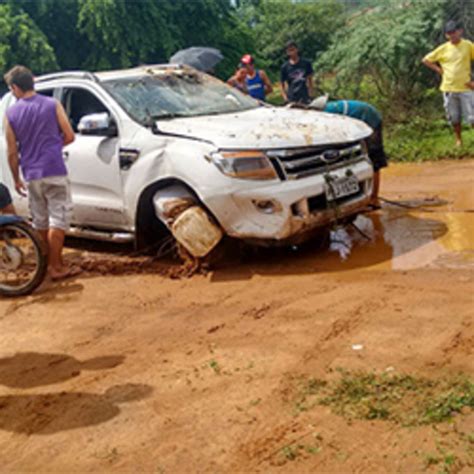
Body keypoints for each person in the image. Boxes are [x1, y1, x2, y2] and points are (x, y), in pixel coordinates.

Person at [4, 65, 77, 280]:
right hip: (54, 168)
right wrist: (54, 147)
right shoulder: (52, 104)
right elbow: (70, 135)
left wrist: (16, 178)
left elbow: (12, 152)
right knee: (59, 220)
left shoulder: (11, 113)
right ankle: (56, 266)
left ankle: (45, 265)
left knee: (41, 221)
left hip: (31, 173)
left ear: (16, 87)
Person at [311, 96, 388, 206]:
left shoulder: (328, 116)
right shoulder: (329, 110)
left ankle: (374, 199)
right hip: (362, 118)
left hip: (370, 120)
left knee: (374, 161)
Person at [422, 20, 474, 147]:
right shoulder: (443, 49)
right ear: (446, 35)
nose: (452, 35)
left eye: (454, 32)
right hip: (449, 88)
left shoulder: (468, 45)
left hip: (466, 87)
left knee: (472, 117)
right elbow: (426, 60)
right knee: (454, 118)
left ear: (460, 31)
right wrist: (439, 70)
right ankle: (459, 140)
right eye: (449, 33)